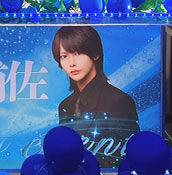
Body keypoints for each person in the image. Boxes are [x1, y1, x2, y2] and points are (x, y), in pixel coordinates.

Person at [52, 26, 139, 165]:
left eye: (78, 53)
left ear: (95, 54)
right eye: (64, 56)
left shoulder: (119, 101)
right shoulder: (65, 105)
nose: (71, 63)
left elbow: (124, 159)